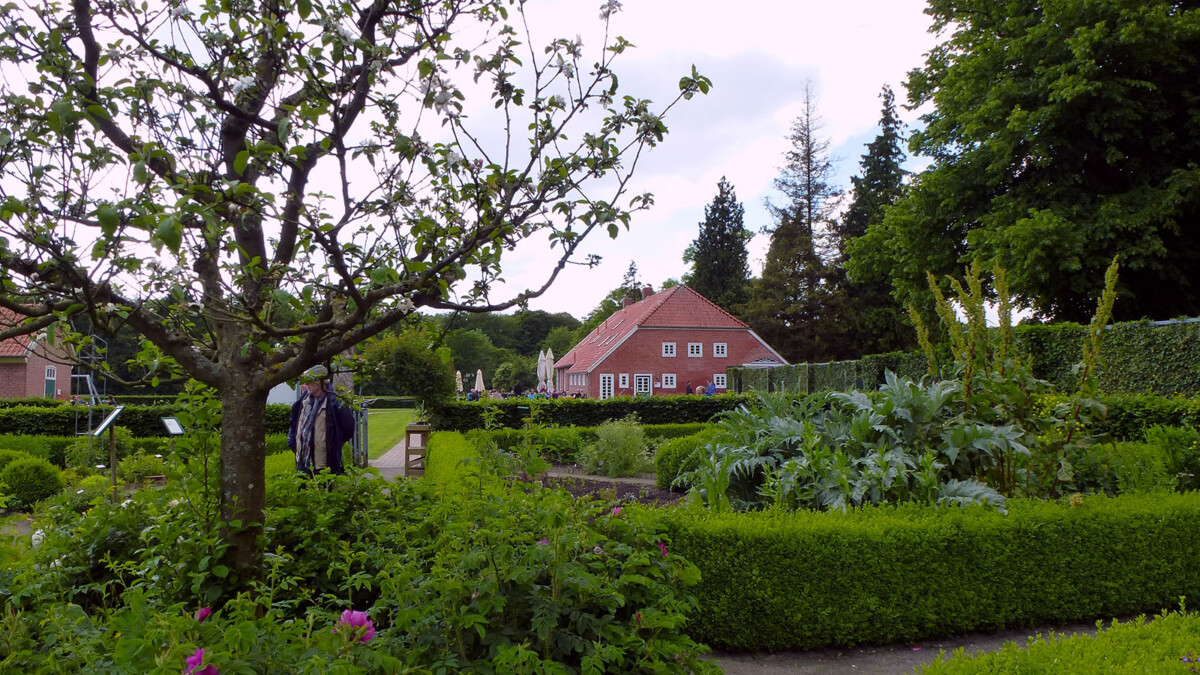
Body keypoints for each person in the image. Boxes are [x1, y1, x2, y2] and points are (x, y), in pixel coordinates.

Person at [287, 365, 355, 476]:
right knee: (302, 491)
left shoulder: (335, 402)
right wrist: (292, 443)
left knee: (324, 491)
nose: (306, 384)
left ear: (320, 382)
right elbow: (294, 424)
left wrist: (333, 447)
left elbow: (348, 429)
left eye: (309, 381)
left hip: (324, 464)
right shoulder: (303, 401)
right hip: (302, 462)